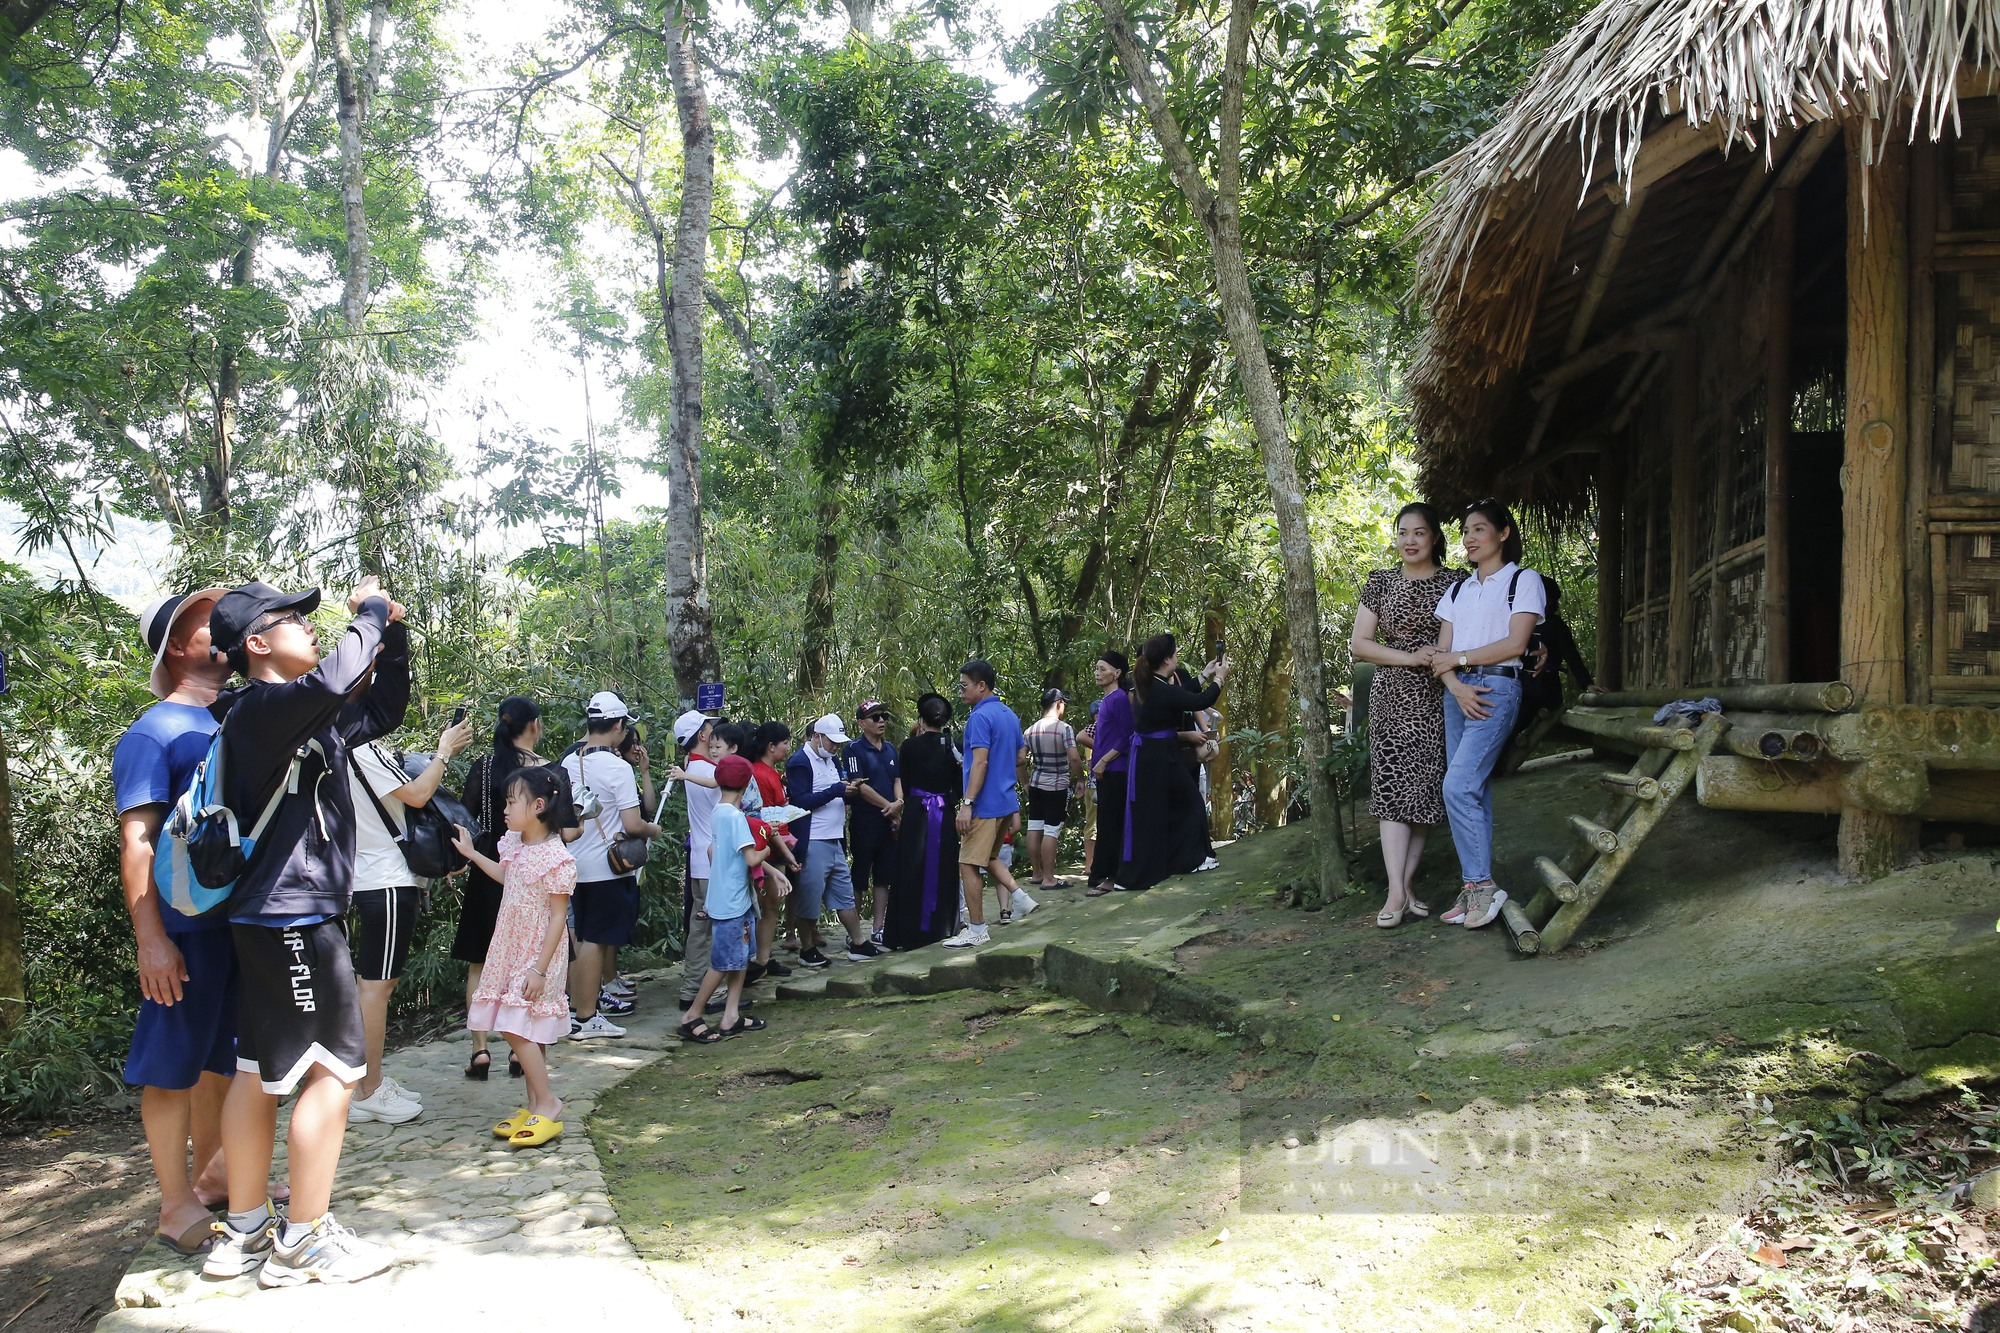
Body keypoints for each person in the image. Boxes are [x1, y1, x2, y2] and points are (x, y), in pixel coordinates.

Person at [200, 576, 406, 1288]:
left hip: (273, 915)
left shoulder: (297, 717)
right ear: (256, 643)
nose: (309, 627)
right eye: (292, 619)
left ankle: (249, 1228)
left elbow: (379, 705)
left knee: (259, 1074)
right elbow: (343, 674)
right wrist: (371, 613)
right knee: (336, 1070)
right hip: (293, 914)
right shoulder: (262, 711)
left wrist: (394, 631)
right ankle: (304, 1240)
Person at [114, 585, 275, 1257]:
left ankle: (217, 1175)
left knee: (225, 1057)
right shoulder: (152, 731)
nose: (225, 630)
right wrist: (151, 939)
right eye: (208, 623)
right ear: (178, 647)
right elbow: (138, 841)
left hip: (240, 924)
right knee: (172, 1064)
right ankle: (173, 1200)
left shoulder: (235, 718)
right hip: (183, 928)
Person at [345, 714, 474, 1122]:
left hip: (367, 876)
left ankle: (366, 1083)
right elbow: (418, 794)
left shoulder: (335, 749)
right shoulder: (360, 748)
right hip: (384, 879)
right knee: (375, 988)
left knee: (372, 985)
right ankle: (369, 1089)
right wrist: (444, 750)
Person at [1431, 499, 1547, 932]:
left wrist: (1458, 661)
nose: (1470, 538)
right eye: (1465, 531)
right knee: (1472, 789)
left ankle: (1483, 885)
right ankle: (1472, 887)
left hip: (1497, 687)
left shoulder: (1522, 580)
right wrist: (1457, 685)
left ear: (1503, 533)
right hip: (1457, 691)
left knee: (1457, 786)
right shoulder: (1458, 590)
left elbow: (1516, 644)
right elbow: (1441, 657)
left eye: (1479, 529)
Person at [1350, 502, 1466, 929]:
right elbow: (1360, 645)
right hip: (1393, 698)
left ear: (1434, 537)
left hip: (1441, 696)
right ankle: (1395, 892)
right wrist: (1411, 657)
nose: (1410, 541)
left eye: (1419, 533)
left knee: (1425, 794)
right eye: (1403, 532)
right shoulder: (1380, 581)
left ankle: (1406, 884)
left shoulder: (1456, 582)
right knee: (1393, 792)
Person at [450, 765, 575, 1149]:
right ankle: (535, 1103)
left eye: (510, 802)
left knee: (514, 1027)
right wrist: (472, 855)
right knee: (525, 1030)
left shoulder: (556, 857)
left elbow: (558, 917)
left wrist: (539, 969)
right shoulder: (515, 845)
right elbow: (508, 877)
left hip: (538, 953)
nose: (504, 809)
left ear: (538, 806)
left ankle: (549, 1102)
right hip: (510, 946)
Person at [452, 697, 575, 1080]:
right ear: (534, 725)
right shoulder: (551, 775)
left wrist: (463, 857)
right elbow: (569, 829)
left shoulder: (484, 766)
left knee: (482, 960)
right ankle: (525, 1054)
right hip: (528, 871)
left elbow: (464, 815)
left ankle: (479, 1049)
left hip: (494, 868)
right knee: (529, 957)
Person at [562, 692, 661, 1039]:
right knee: (595, 940)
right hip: (608, 866)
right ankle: (587, 1017)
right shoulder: (618, 768)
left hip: (574, 863)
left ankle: (575, 1011)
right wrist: (654, 830)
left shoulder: (569, 763)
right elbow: (633, 825)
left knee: (583, 937)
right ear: (618, 725)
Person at [1120, 635, 1227, 893]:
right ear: (1168, 659)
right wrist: (1220, 678)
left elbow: (1181, 694)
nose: (1177, 657)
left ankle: (1184, 858)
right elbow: (1199, 701)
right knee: (1190, 803)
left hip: (1157, 756)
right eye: (1176, 653)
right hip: (1158, 758)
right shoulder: (1156, 688)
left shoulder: (1152, 684)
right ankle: (1191, 859)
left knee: (1176, 806)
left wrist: (1205, 674)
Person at [676, 755, 772, 1043]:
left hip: (724, 897)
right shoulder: (737, 817)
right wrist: (769, 843)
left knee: (738, 958)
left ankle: (731, 1014)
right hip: (733, 902)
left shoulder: (718, 812)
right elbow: (752, 856)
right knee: (721, 962)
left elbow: (711, 852)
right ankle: (692, 1015)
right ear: (746, 784)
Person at [944, 660, 1034, 948]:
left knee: (968, 864)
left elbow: (980, 762)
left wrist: (967, 803)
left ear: (981, 686)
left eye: (964, 686)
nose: (960, 692)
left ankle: (977, 928)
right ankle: (1021, 898)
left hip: (985, 803)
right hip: (1007, 800)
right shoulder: (1008, 714)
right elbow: (1021, 756)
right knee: (989, 857)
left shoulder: (979, 718)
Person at [786, 714, 886, 963]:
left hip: (835, 838)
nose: (835, 747)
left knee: (845, 894)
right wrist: (836, 790)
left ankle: (858, 942)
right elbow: (799, 802)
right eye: (831, 742)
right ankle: (807, 949)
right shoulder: (800, 762)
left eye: (838, 743)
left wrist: (849, 792)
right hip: (813, 840)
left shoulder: (831, 759)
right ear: (817, 736)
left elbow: (836, 794)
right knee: (810, 897)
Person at [886, 693, 961, 950]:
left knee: (911, 868)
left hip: (917, 813)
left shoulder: (909, 746)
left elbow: (905, 783)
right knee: (943, 866)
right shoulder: (951, 745)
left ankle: (906, 932)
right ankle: (944, 927)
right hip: (944, 811)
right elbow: (959, 783)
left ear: (921, 719)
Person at [668, 709, 723, 1005]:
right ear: (702, 736)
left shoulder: (692, 767)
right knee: (709, 931)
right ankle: (703, 993)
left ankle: (693, 989)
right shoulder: (707, 772)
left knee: (700, 927)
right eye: (710, 727)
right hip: (713, 863)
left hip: (702, 862)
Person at [844, 701, 903, 948]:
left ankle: (879, 927)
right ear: (861, 723)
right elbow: (859, 785)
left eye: (883, 716)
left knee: (884, 876)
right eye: (875, 717)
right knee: (859, 877)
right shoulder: (853, 749)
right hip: (865, 821)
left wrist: (899, 802)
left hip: (890, 821)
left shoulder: (890, 749)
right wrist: (887, 806)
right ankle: (854, 932)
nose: (881, 721)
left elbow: (897, 778)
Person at [743, 722, 797, 984]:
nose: (788, 747)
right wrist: (786, 854)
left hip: (778, 843)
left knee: (772, 906)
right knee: (768, 906)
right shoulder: (760, 775)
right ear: (771, 746)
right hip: (769, 848)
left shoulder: (772, 773)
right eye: (785, 742)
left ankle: (764, 957)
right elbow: (764, 819)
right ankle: (760, 960)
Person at [1021, 688, 1082, 891]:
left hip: (1037, 784)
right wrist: (1080, 778)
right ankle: (1049, 878)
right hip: (1056, 785)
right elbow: (1073, 757)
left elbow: (1019, 761)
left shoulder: (1029, 731)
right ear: (1058, 704)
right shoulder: (1063, 728)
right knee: (1051, 830)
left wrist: (1025, 783)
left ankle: (1037, 873)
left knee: (1034, 827)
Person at [1084, 651, 1134, 896]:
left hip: (1116, 770)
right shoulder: (1106, 701)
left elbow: (1127, 736)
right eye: (1096, 668)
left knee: (1112, 825)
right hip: (1104, 773)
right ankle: (1100, 874)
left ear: (1117, 673)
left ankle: (1111, 876)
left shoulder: (1120, 699)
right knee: (1105, 823)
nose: (1098, 672)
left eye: (1103, 668)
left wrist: (1103, 760)